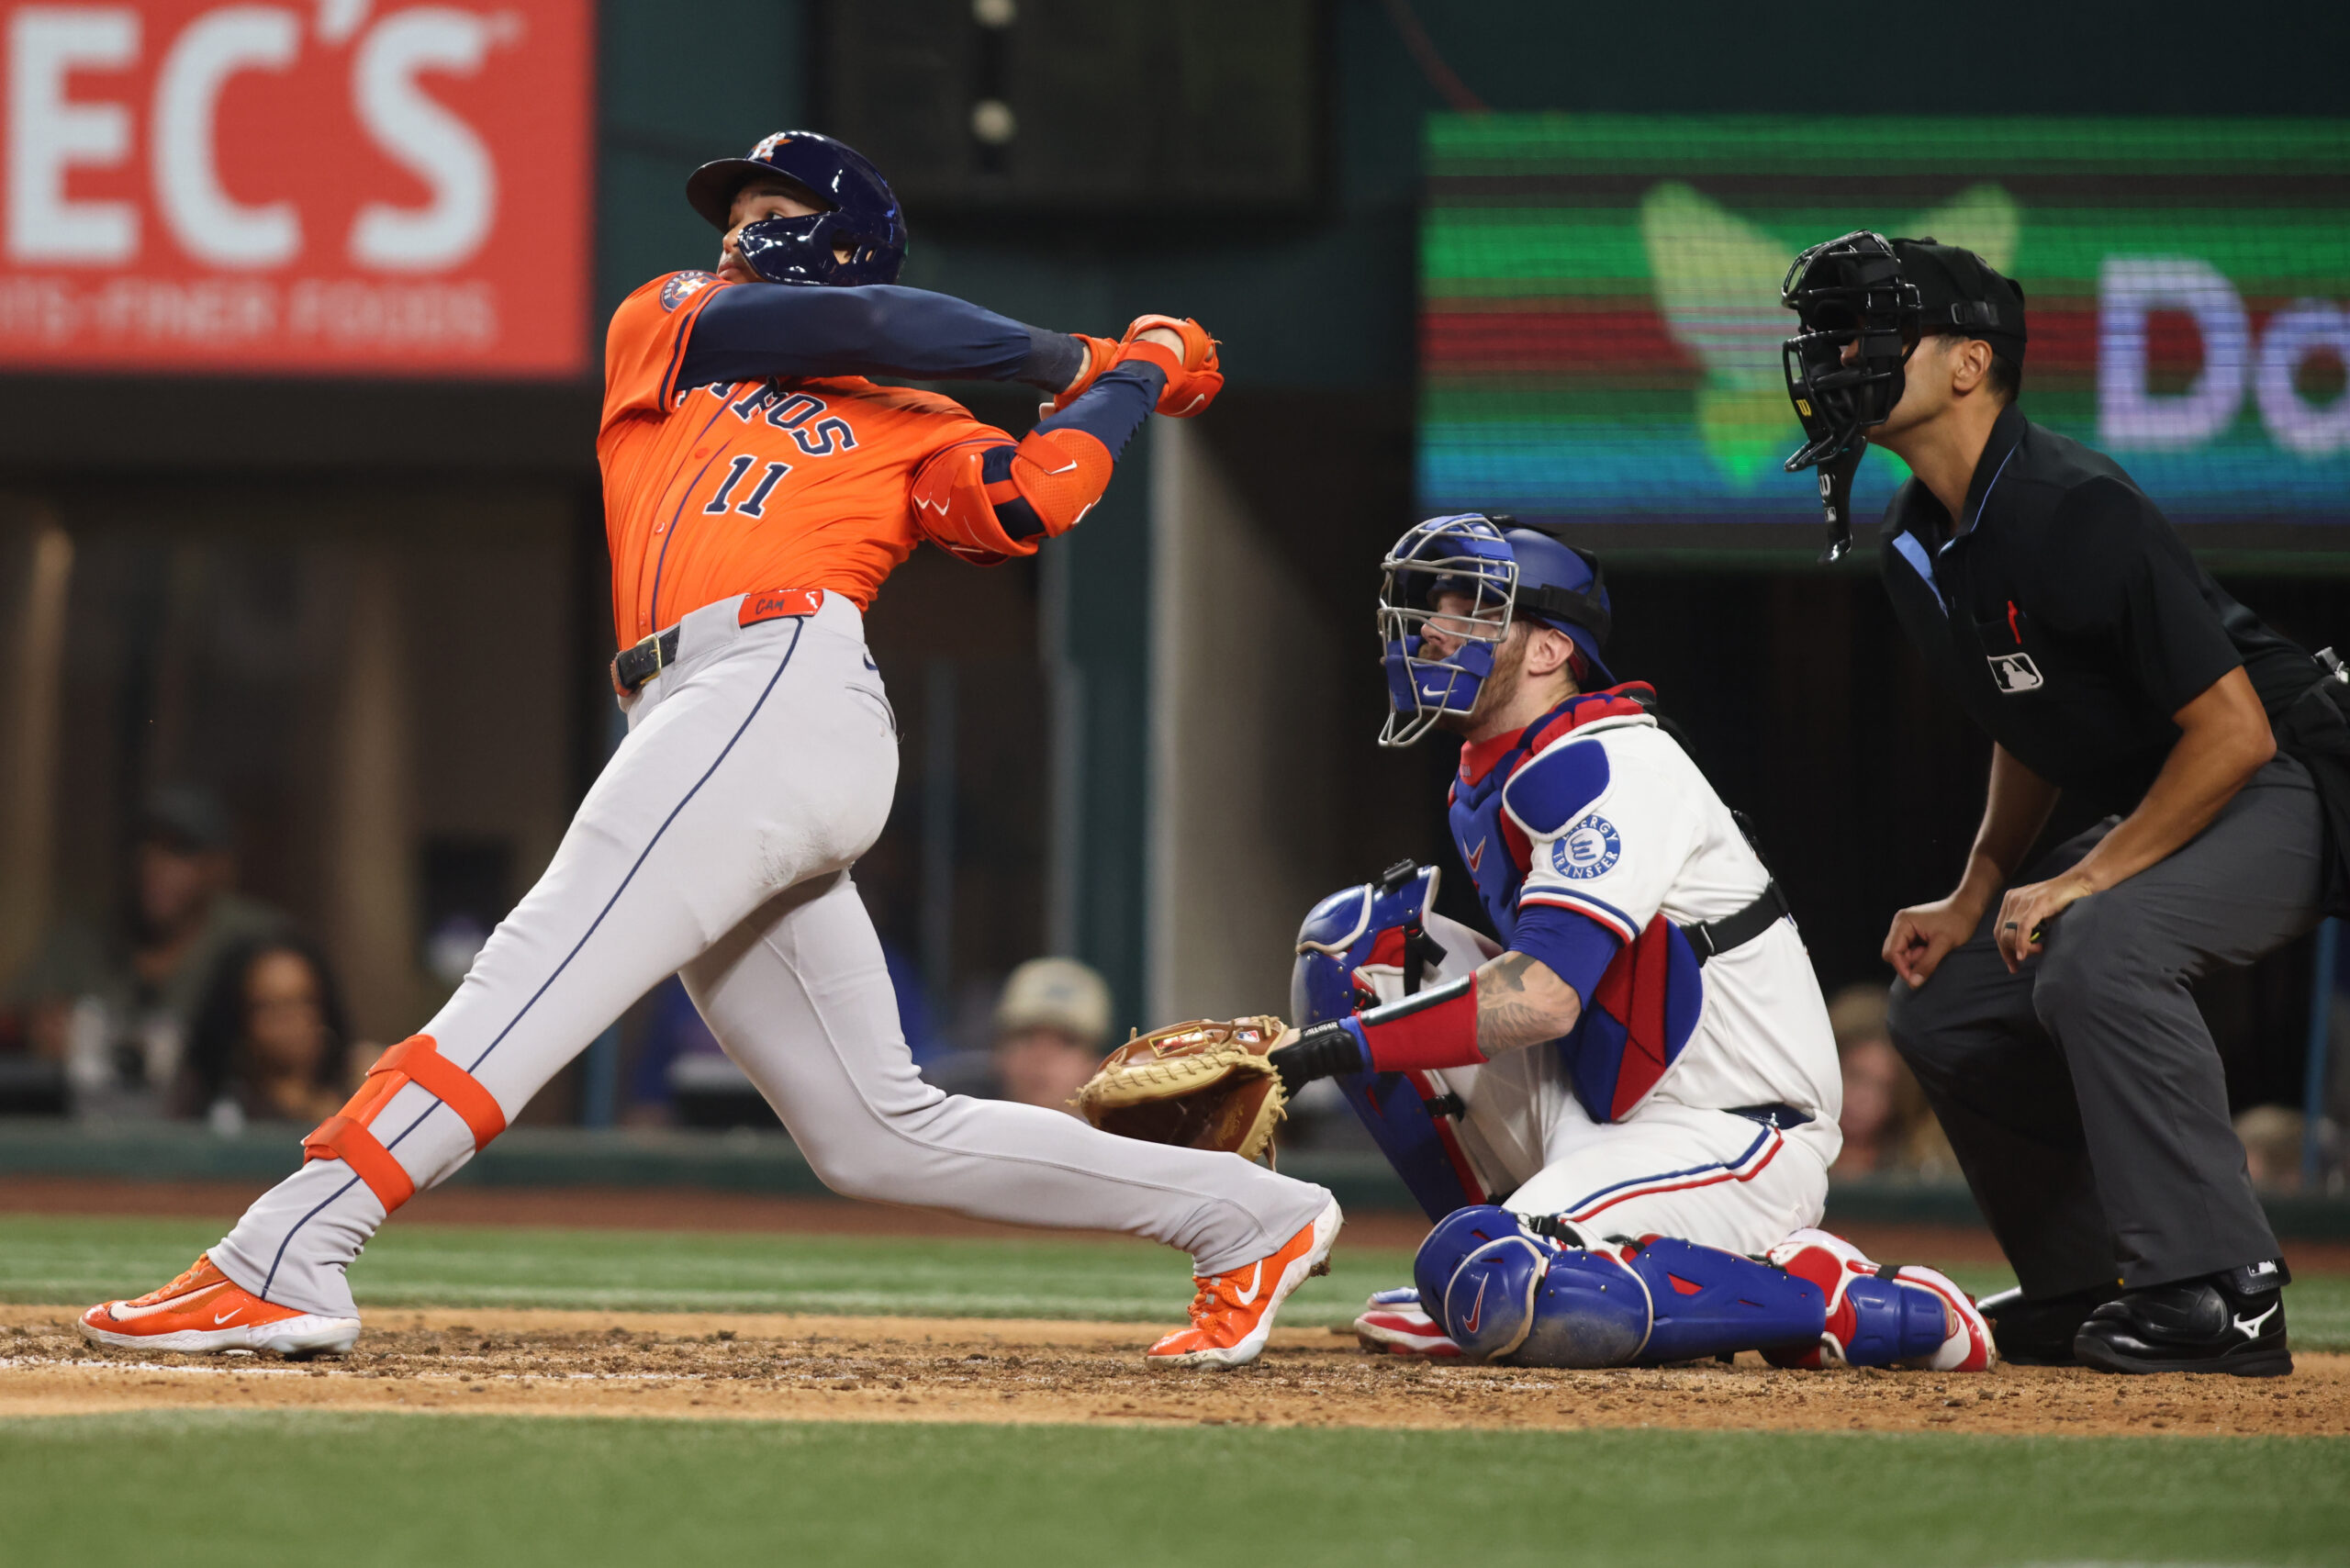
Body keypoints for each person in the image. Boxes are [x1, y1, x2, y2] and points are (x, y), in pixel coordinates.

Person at [79, 130, 1337, 1369]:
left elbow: (1029, 501)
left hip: (781, 685)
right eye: (733, 210)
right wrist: (1089, 353)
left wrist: (1126, 385)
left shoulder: (914, 419)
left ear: (847, 240)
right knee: (874, 1133)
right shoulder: (677, 318)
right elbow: (872, 328)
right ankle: (1250, 1217)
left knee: (535, 967)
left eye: (773, 206)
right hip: (714, 711)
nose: (738, 229)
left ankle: (286, 1251)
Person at [1781, 230, 2328, 1376]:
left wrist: (2085, 875)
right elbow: (2023, 719)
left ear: (1969, 363)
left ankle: (2224, 1290)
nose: (1839, 353)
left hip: (2287, 774)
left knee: (2099, 950)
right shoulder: (1917, 545)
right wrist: (1976, 888)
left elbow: (2231, 732)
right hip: (2175, 797)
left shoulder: (2071, 506)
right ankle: (2096, 1281)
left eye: (1874, 330)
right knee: (1948, 1007)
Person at [1267, 515, 1987, 1371]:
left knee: (1492, 1278)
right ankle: (1489, 1264)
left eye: (1469, 609)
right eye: (1437, 607)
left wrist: (1323, 1054)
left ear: (1547, 652)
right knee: (1359, 947)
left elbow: (1540, 995)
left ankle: (1845, 1301)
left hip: (1732, 1132)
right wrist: (1333, 1034)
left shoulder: (1610, 762)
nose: (1431, 626)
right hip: (1605, 1099)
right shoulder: (1500, 768)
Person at [6, 786, 285, 1110]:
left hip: (209, 1129)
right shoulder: (86, 937)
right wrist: (34, 1029)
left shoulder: (254, 941)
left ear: (218, 866)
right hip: (92, 1126)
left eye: (179, 851)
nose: (156, 865)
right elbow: (15, 1017)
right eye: (147, 847)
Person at [178, 935, 356, 1131]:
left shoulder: (359, 1090)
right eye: (268, 1006)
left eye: (304, 1001)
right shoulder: (221, 1114)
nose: (289, 1019)